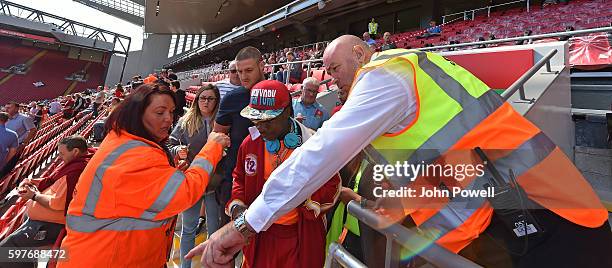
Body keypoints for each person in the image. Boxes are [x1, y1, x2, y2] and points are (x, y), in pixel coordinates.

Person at [194, 35, 611, 268]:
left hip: (542, 219)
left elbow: (321, 152)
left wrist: (243, 227)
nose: (330, 80)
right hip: (504, 229)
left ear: (360, 54)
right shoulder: (402, 85)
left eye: (334, 68)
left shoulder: (386, 76)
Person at [57, 84, 230, 267]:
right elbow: (184, 193)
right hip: (107, 258)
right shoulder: (137, 153)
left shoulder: (123, 141)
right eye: (160, 112)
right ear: (138, 113)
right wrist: (213, 147)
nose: (168, 119)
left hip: (107, 253)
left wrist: (169, 175)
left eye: (171, 112)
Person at [195, 80, 340, 268]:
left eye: (268, 121)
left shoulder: (311, 143)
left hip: (298, 238)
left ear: (287, 112)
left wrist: (303, 202)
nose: (261, 127)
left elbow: (332, 185)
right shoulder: (250, 143)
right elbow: (239, 178)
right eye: (256, 120)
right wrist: (237, 207)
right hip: (258, 237)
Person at [0, 136, 93, 268]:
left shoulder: (75, 171)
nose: (60, 157)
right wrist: (34, 182)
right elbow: (54, 181)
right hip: (43, 222)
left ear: (75, 152)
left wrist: (34, 196)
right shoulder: (76, 164)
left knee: (5, 252)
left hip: (50, 225)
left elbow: (57, 204)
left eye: (62, 153)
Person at [211, 46, 264, 235]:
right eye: (240, 71)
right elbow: (217, 136)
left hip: (267, 180)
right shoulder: (233, 98)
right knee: (227, 237)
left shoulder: (276, 93)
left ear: (262, 66)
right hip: (235, 179)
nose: (243, 76)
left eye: (249, 70)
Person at [168, 84, 221, 268]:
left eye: (210, 99)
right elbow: (170, 144)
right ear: (197, 100)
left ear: (216, 101)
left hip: (216, 182)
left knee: (215, 230)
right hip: (193, 180)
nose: (205, 102)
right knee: (188, 229)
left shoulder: (223, 121)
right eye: (202, 98)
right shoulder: (185, 121)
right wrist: (178, 150)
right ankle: (185, 266)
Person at [3, 101, 37, 174]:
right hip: (3, 146)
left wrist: (24, 143)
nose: (6, 110)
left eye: (9, 108)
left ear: (16, 109)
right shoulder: (5, 118)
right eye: (6, 108)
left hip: (15, 147)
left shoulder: (24, 118)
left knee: (6, 168)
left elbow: (33, 130)